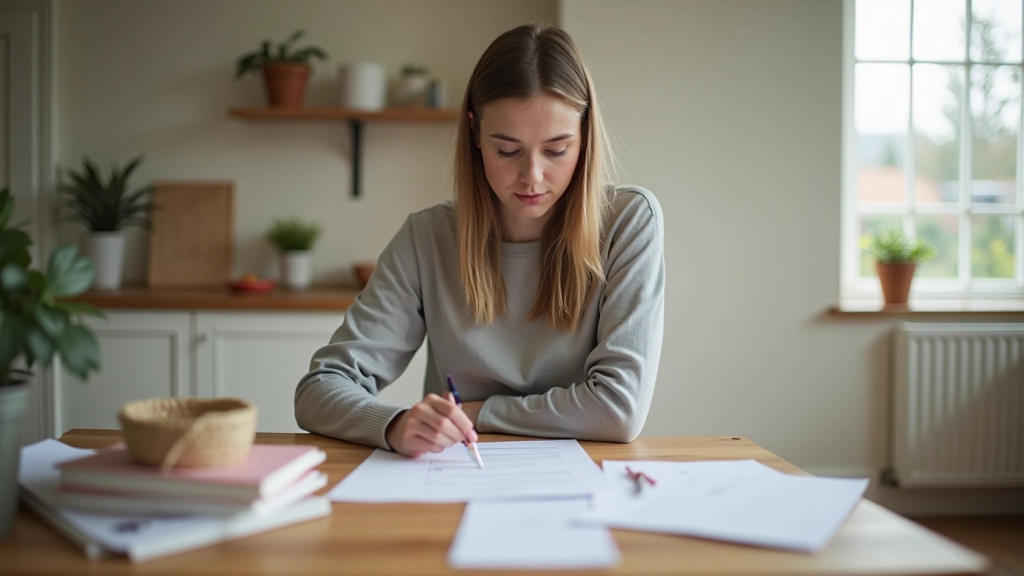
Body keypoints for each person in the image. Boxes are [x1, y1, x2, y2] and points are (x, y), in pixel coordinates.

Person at [295, 24, 664, 458]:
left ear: (585, 136)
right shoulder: (427, 238)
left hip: (587, 484)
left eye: (557, 150)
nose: (532, 176)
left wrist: (475, 412)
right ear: (474, 133)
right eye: (507, 150)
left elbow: (618, 409)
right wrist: (393, 424)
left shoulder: (628, 222)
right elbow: (318, 390)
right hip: (456, 479)